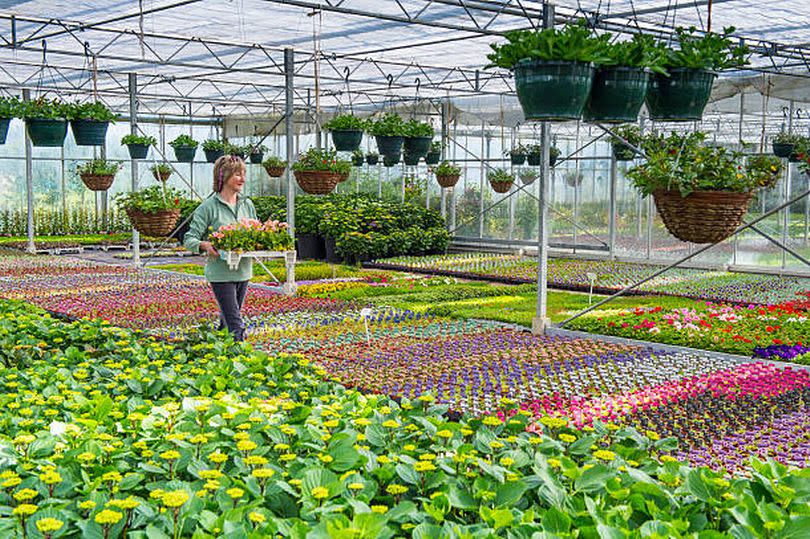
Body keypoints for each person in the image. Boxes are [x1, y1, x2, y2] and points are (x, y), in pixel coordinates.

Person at [184, 154, 257, 341]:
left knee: (226, 324)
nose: (243, 179)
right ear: (223, 177)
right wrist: (205, 245)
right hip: (221, 274)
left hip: (244, 271)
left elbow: (257, 231)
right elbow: (189, 238)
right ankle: (242, 362)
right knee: (236, 324)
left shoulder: (247, 204)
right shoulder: (209, 207)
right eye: (237, 175)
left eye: (243, 174)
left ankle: (218, 356)